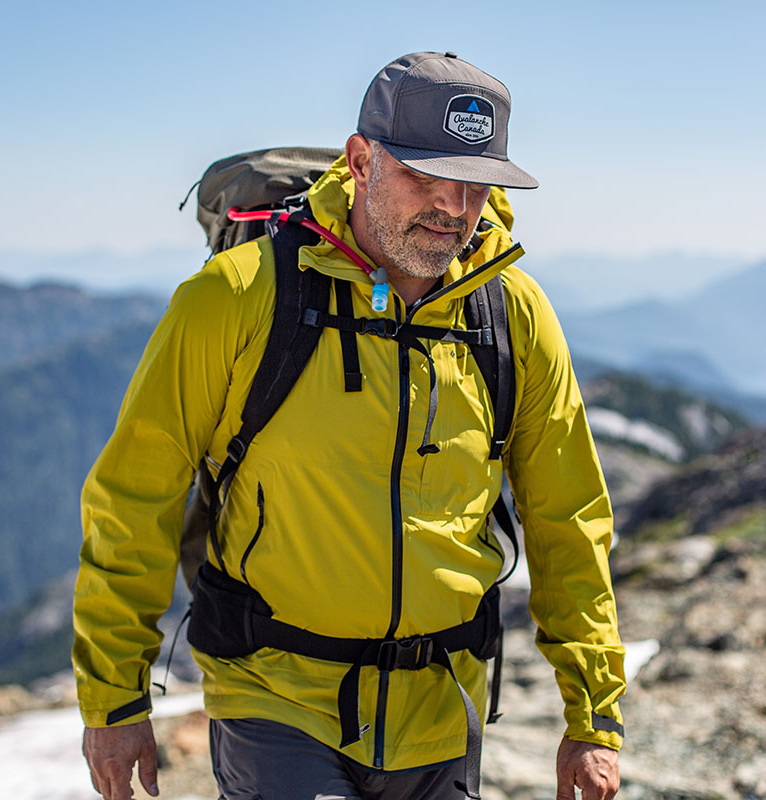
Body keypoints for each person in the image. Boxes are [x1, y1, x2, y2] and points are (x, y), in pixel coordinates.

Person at [73, 51, 626, 800]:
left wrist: (592, 716)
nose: (454, 207)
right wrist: (114, 697)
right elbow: (134, 497)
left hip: (441, 710)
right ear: (360, 161)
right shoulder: (237, 297)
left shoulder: (513, 315)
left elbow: (570, 520)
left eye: (474, 182)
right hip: (276, 702)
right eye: (425, 175)